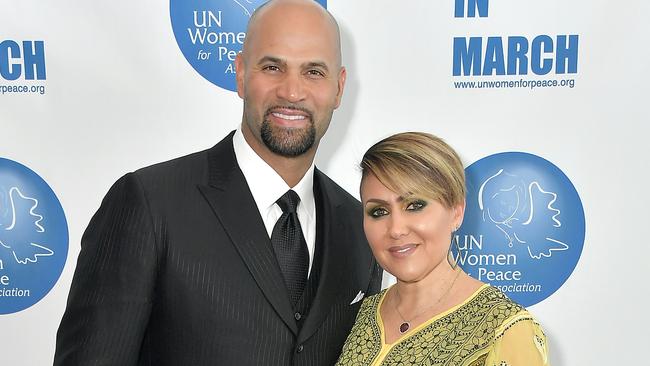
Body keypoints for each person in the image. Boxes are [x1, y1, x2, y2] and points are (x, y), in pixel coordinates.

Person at [54, 1, 382, 365]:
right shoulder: (150, 204)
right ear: (241, 74)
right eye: (273, 67)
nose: (292, 91)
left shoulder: (361, 227)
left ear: (338, 88)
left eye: (314, 72)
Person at [336, 132, 549, 366]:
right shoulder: (362, 314)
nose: (396, 229)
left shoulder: (504, 328)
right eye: (379, 212)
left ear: (456, 211)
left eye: (414, 206)